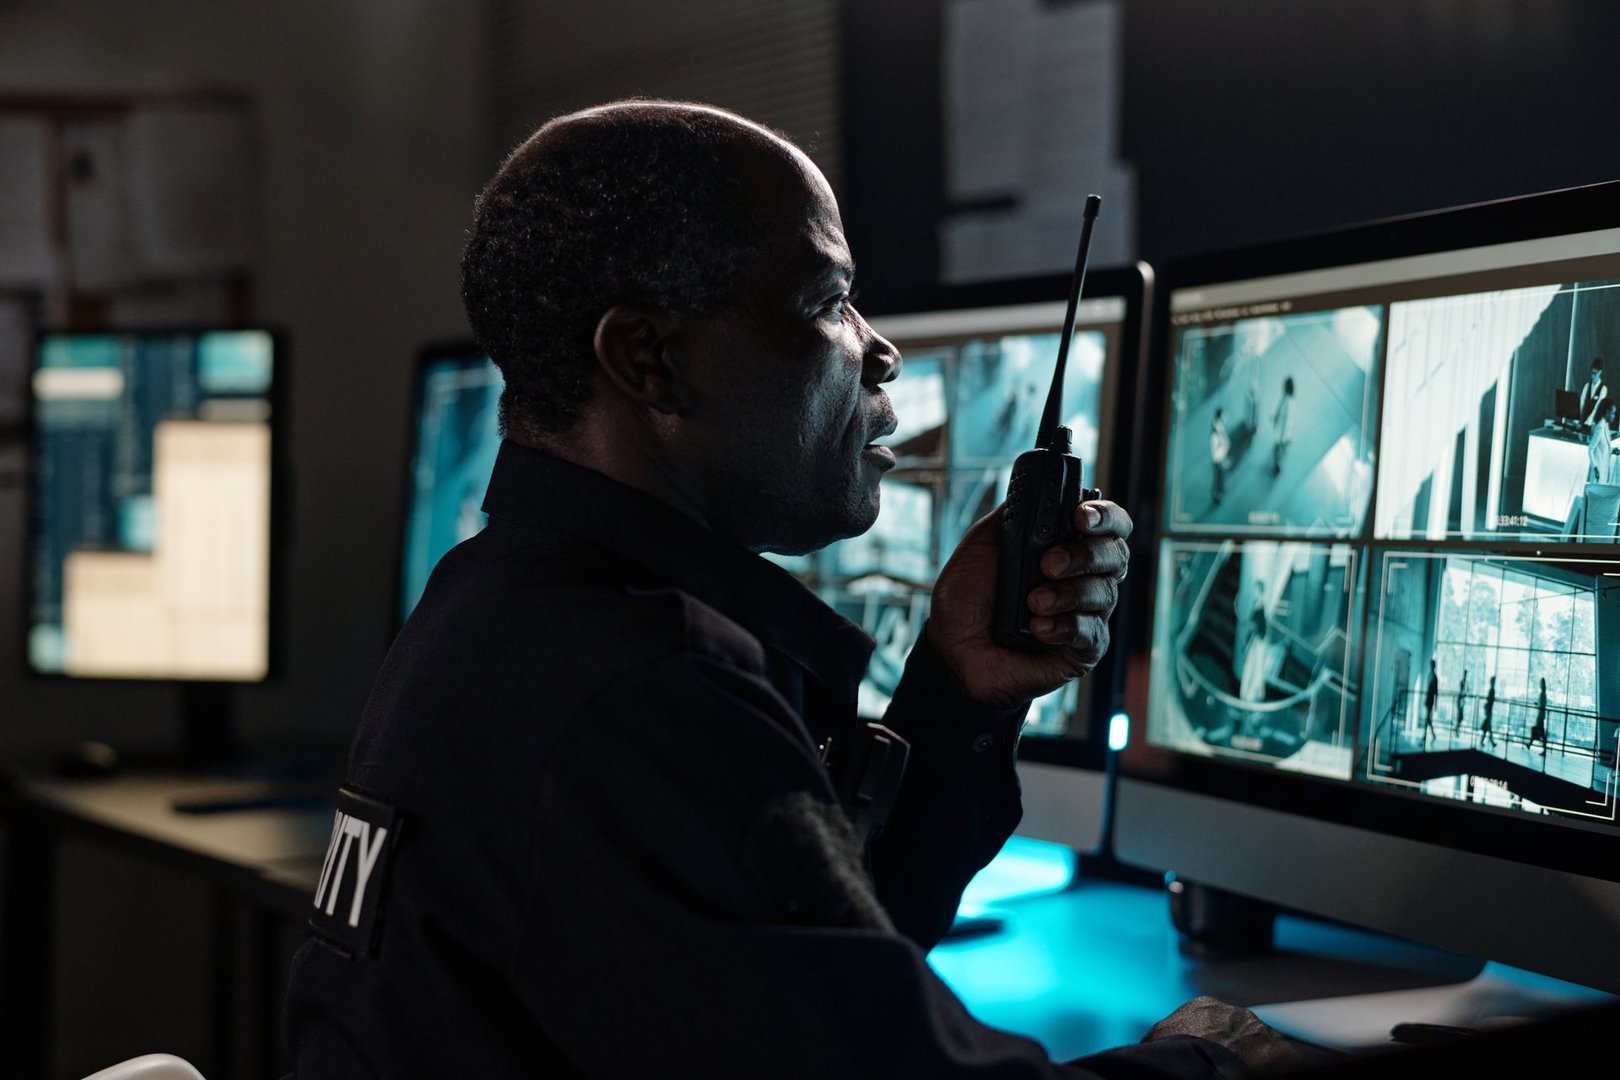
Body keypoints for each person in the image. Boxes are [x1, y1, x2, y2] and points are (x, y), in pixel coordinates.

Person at [282, 101, 1304, 1079]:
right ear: (650, 359)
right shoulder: (643, 697)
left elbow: (797, 974)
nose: (881, 347)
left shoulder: (492, 603)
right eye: (826, 302)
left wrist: (958, 690)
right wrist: (1212, 1064)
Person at [1271, 376, 1294, 476]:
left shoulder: (1288, 402)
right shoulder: (1285, 399)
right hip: (1281, 434)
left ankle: (1277, 468)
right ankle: (1277, 465)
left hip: (1282, 434)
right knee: (1277, 451)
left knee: (1277, 451)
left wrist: (1283, 437)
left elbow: (1287, 420)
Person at [1579, 356, 1609, 430]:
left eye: (1594, 373)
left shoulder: (1603, 389)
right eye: (1591, 373)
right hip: (1584, 423)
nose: (1592, 376)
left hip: (1594, 425)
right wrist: (1580, 420)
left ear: (1600, 372)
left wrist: (1588, 422)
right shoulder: (1587, 386)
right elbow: (1581, 404)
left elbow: (1597, 408)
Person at [1210, 407, 1230, 506]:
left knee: (1219, 476)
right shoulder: (1217, 428)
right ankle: (1217, 495)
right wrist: (1225, 444)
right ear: (1220, 416)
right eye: (1224, 415)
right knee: (1218, 477)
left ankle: (1218, 493)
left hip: (1219, 457)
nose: (1226, 417)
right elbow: (1220, 444)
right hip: (1218, 458)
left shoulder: (1218, 426)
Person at [1530, 677, 1549, 756]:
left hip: (1540, 716)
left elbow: (1541, 706)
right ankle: (1530, 744)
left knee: (1540, 733)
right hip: (1542, 715)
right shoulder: (1544, 694)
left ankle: (1543, 750)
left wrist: (1537, 705)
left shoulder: (1542, 694)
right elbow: (1542, 705)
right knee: (1539, 732)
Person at [1480, 675, 1498, 748]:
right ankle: (1492, 742)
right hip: (1489, 710)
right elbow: (1490, 700)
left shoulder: (1491, 690)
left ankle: (1484, 741)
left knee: (1487, 727)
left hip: (1489, 710)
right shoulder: (1492, 690)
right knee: (1489, 727)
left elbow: (1489, 700)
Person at [1423, 659, 1439, 742]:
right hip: (1428, 699)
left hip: (1431, 700)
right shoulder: (1430, 675)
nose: (1431, 667)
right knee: (1428, 719)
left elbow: (1436, 691)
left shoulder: (1435, 677)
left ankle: (1425, 735)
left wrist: (1436, 703)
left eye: (1432, 665)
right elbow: (1427, 689)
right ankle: (1432, 734)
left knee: (1428, 718)